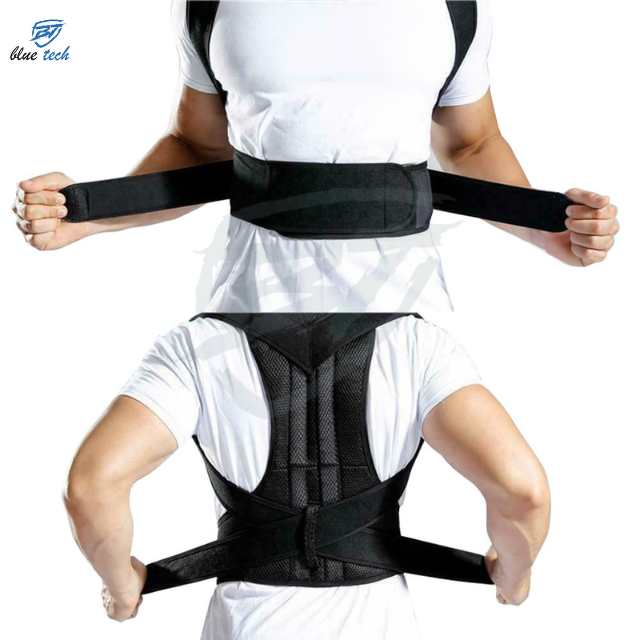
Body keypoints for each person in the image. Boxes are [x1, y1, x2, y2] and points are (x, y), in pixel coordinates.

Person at [11, 0, 619, 315]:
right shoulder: (208, 2)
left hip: (404, 314)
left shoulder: (456, 5)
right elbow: (197, 147)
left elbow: (471, 144)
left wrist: (544, 230)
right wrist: (88, 213)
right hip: (250, 310)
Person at [64, 312, 551, 639]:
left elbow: (91, 487)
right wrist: (513, 574)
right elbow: (523, 492)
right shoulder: (418, 345)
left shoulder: (197, 346)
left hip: (247, 625)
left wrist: (123, 587)